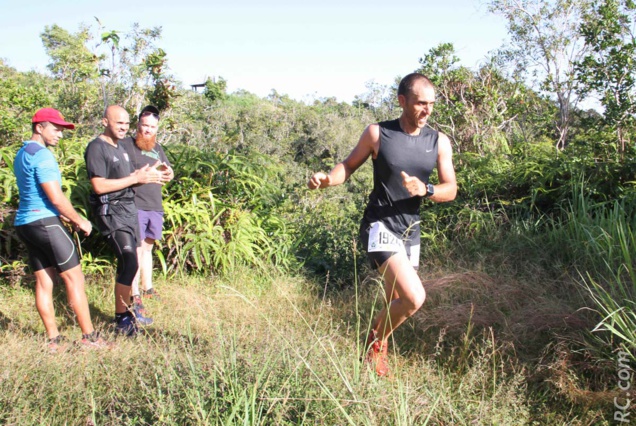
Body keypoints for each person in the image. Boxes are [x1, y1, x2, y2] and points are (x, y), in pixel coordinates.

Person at [307, 73, 457, 376]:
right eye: (420, 103)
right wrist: (328, 179)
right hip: (379, 226)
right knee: (414, 298)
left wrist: (425, 190)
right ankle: (372, 344)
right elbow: (348, 166)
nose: (427, 110)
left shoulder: (438, 141)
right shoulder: (378, 134)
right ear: (402, 101)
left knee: (395, 302)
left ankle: (376, 355)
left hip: (409, 230)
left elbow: (450, 188)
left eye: (431, 104)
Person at [14, 108, 109, 351]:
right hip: (45, 223)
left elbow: (35, 193)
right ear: (39, 127)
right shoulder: (44, 156)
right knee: (74, 278)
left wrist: (60, 216)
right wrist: (79, 220)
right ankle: (90, 338)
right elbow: (55, 198)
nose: (60, 135)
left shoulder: (23, 153)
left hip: (25, 224)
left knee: (44, 281)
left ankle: (53, 340)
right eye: (55, 129)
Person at [84, 105, 168, 335]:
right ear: (104, 122)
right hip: (111, 211)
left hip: (128, 208)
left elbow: (130, 179)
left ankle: (127, 315)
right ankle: (123, 318)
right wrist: (134, 178)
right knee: (130, 260)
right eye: (118, 123)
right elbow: (99, 186)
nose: (123, 127)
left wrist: (148, 177)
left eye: (126, 124)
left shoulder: (120, 147)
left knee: (130, 261)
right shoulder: (97, 147)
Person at [120, 106, 173, 309]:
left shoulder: (157, 148)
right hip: (135, 204)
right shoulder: (126, 145)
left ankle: (148, 288)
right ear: (138, 125)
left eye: (152, 126)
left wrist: (169, 174)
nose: (148, 130)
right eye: (145, 125)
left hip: (154, 205)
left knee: (148, 247)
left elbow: (169, 170)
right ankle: (133, 293)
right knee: (136, 248)